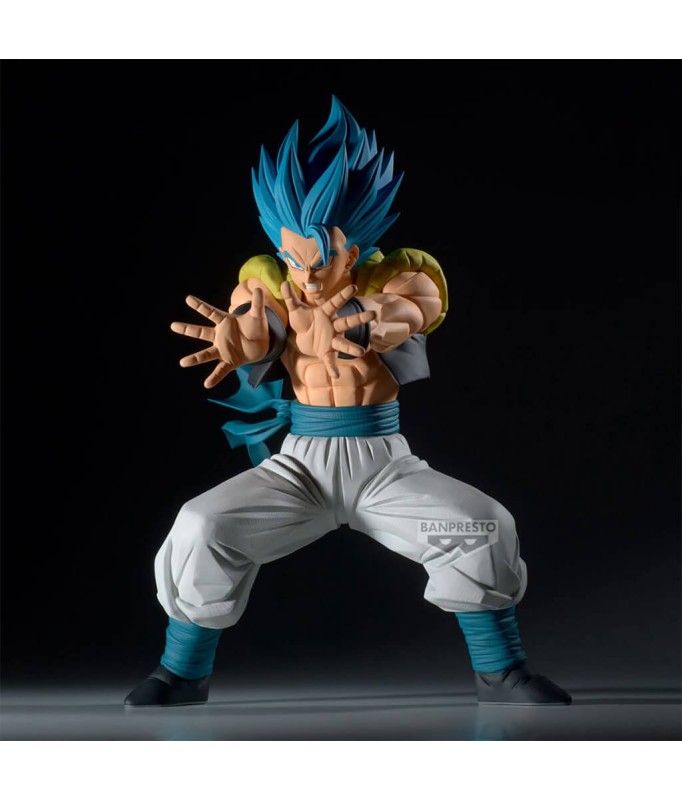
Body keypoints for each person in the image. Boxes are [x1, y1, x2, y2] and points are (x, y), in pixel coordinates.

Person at [125, 97, 571, 707]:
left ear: (352, 250)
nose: (306, 276)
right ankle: (181, 671)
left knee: (480, 526)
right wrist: (241, 340)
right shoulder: (269, 283)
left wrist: (375, 322)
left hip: (384, 466)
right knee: (202, 526)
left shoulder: (395, 275)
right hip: (299, 467)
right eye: (293, 259)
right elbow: (255, 325)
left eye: (320, 259)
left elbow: (413, 309)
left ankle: (501, 670)